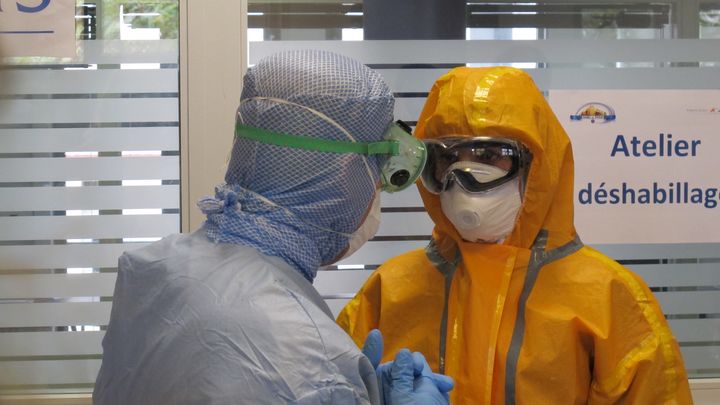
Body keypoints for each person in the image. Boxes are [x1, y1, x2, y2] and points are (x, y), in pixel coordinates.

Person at [93, 49, 451, 405]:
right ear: (344, 178)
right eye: (378, 171)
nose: (377, 189)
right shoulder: (316, 368)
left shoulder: (153, 268)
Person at [338, 66, 693, 404]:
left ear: (537, 165)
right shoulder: (391, 289)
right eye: (447, 158)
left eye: (490, 155)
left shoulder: (610, 299)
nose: (462, 178)